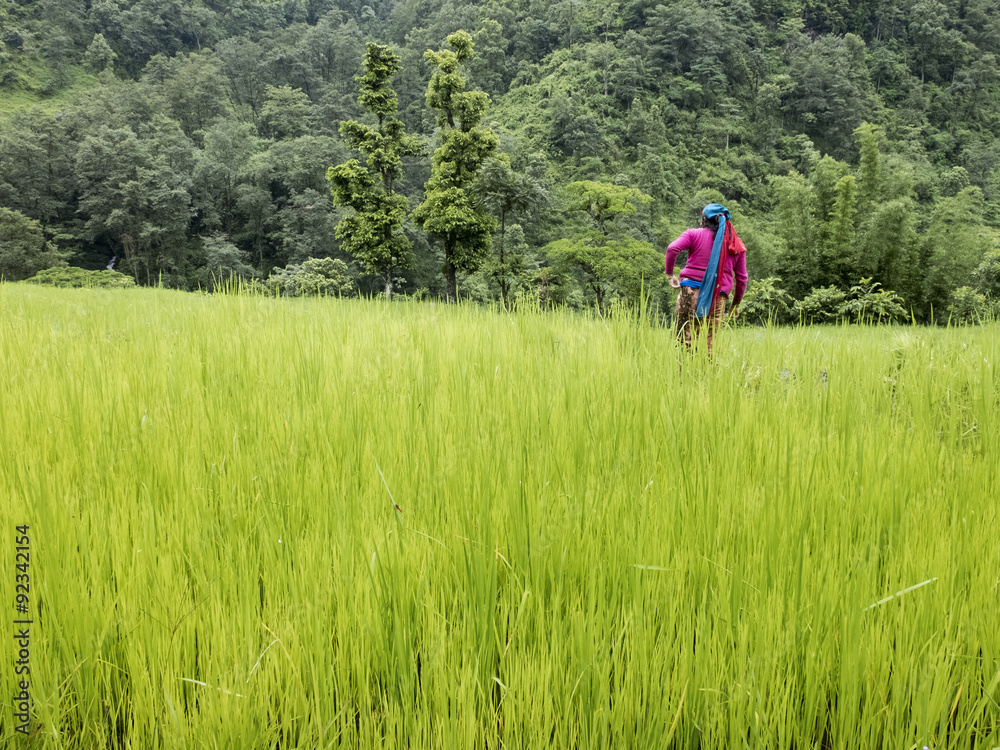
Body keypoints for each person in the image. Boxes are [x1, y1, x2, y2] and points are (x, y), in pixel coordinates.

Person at [665, 203, 748, 355]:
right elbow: (742, 279)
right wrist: (735, 304)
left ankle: (682, 377)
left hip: (690, 293)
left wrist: (670, 274)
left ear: (704, 219)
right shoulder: (735, 243)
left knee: (684, 341)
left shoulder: (693, 234)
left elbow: (672, 248)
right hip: (718, 298)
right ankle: (706, 376)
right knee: (709, 345)